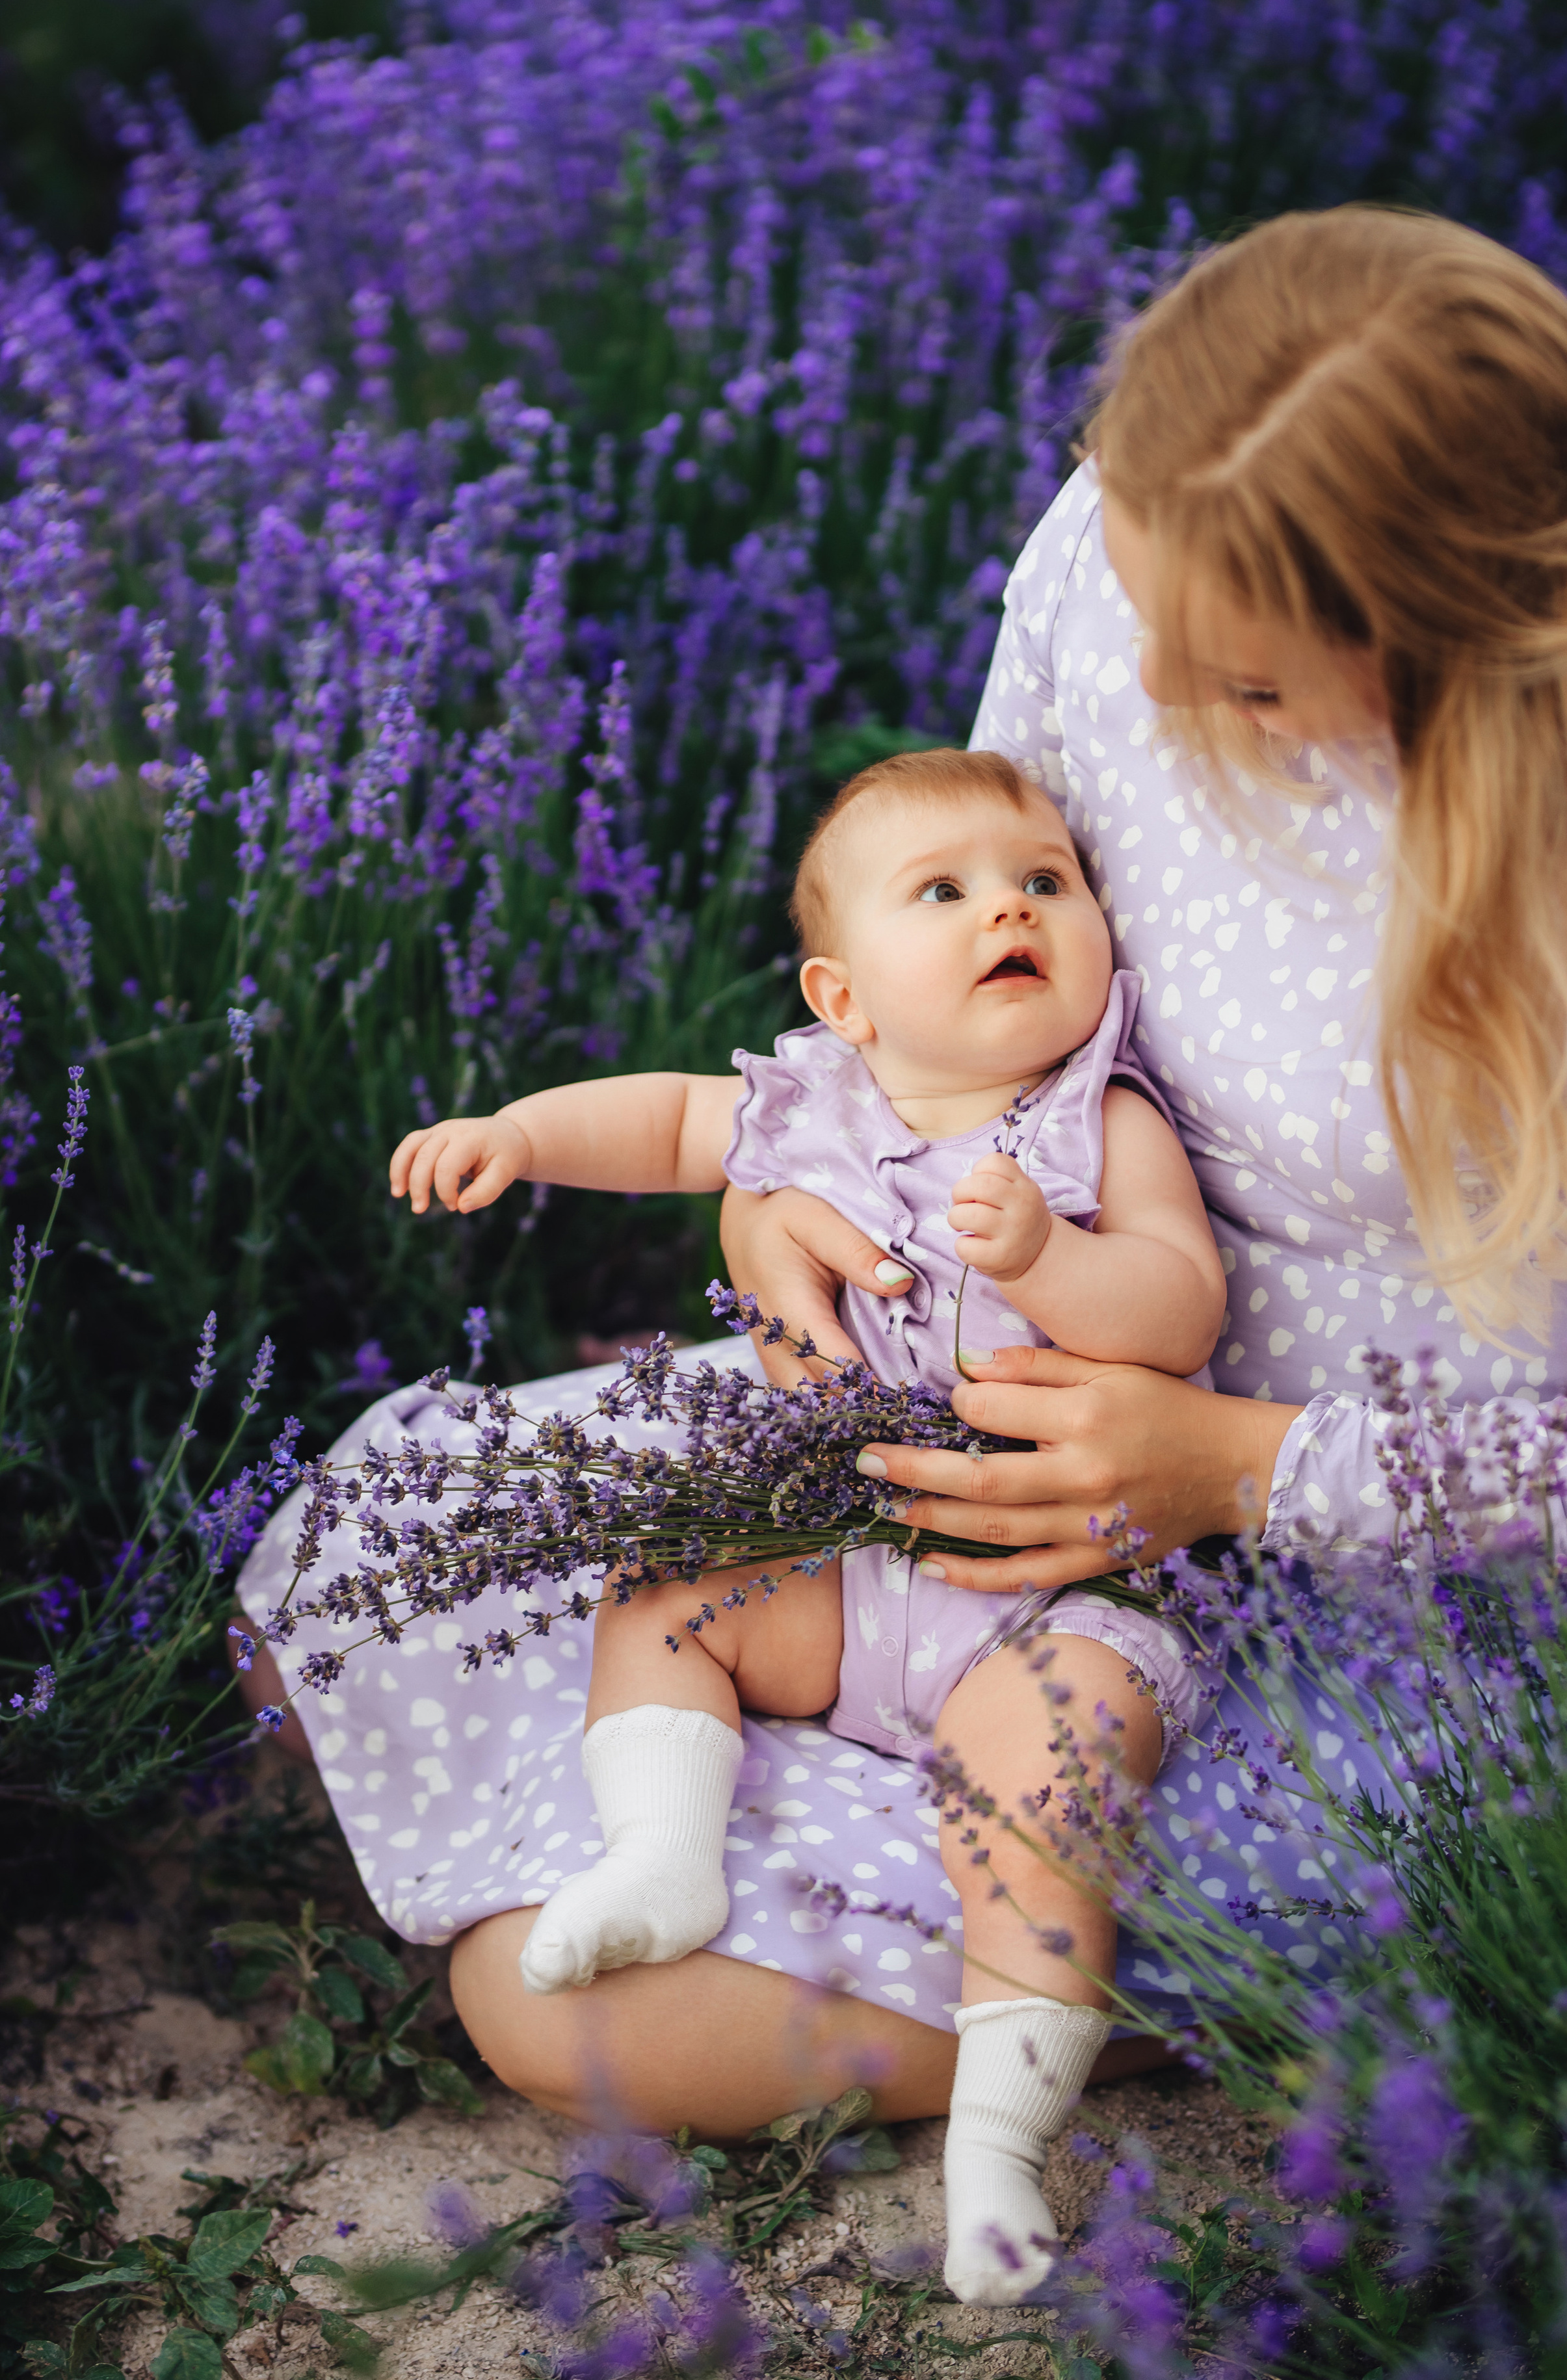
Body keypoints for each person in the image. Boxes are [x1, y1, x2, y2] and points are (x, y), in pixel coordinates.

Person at [234, 202, 1567, 2199]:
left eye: (1243, 686)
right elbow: (956, 904)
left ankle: (1136, 1966)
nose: (1153, 682)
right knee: (363, 1563)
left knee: (558, 2025)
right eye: (1140, 590)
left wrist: (1242, 1465)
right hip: (953, 1413)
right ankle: (872, 1863)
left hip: (1403, 1564)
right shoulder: (1132, 532)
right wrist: (795, 1188)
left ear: (1442, 650)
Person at [384, 746, 1225, 2302]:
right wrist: (518, 1132)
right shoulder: (812, 1104)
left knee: (1042, 1788)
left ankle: (995, 2143)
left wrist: (1051, 1259)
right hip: (853, 1567)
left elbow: (1178, 1305)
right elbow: (662, 1125)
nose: (1009, 909)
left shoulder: (1094, 1126)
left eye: (1043, 881)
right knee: (667, 1603)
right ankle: (664, 1852)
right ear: (845, 1000)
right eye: (948, 891)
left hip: (1045, 1592)